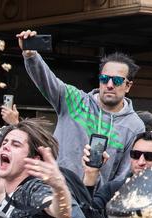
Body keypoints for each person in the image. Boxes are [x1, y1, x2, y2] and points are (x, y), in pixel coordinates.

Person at [18, 30, 144, 183]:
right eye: (104, 79)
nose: (109, 85)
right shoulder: (75, 100)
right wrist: (31, 56)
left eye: (117, 81)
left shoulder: (134, 125)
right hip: (56, 188)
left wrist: (102, 201)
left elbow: (124, 174)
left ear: (128, 86)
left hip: (94, 199)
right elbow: (46, 80)